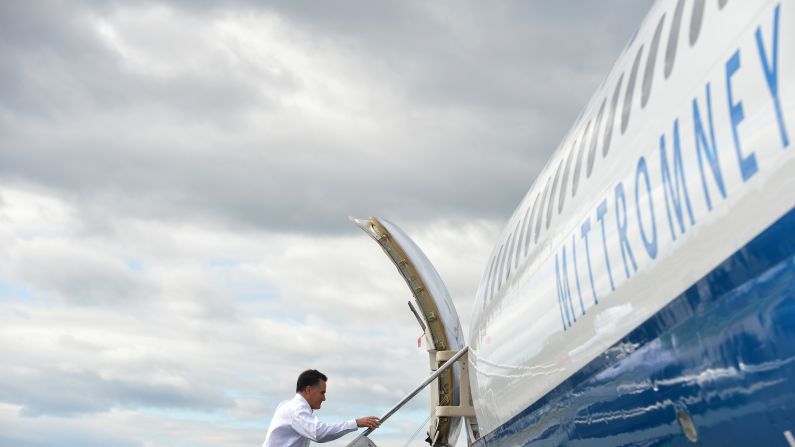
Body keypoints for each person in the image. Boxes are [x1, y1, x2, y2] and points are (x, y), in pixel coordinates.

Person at [262, 369, 381, 447]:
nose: (324, 398)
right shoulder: (296, 409)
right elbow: (318, 433)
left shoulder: (289, 407)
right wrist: (355, 423)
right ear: (308, 390)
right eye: (322, 393)